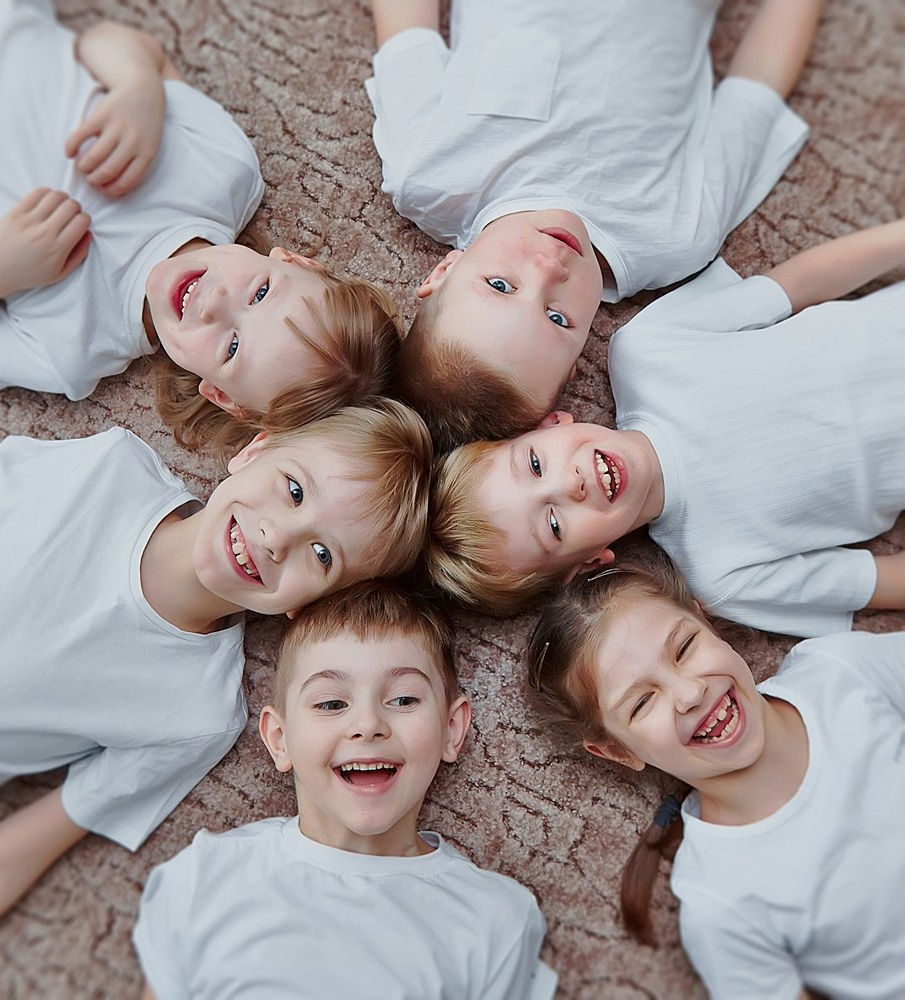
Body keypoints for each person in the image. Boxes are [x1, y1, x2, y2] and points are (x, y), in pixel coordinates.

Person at [0, 398, 432, 976]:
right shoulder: (106, 466)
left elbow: (8, 856)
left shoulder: (199, 713)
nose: (277, 537)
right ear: (254, 449)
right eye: (294, 489)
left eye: (323, 555)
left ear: (308, 607)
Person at [0, 0, 399, 460]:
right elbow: (105, 41)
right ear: (293, 259)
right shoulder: (223, 172)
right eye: (260, 292)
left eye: (232, 347)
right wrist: (139, 87)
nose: (213, 303)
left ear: (220, 395)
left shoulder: (71, 349)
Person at [365, 0, 824, 449]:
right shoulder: (670, 236)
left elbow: (408, 31)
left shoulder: (430, 172)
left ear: (444, 271)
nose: (549, 268)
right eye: (557, 317)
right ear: (578, 359)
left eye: (501, 285)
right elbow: (755, 91)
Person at [426, 216, 905, 629]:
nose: (570, 483)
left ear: (550, 424)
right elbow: (880, 581)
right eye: (553, 524)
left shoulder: (646, 351)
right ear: (589, 563)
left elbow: (792, 287)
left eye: (535, 464)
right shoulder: (723, 577)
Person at [132, 582, 558, 999]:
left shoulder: (496, 919)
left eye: (404, 700)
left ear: (451, 729)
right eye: (332, 703)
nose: (368, 725)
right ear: (280, 739)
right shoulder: (205, 877)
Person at [526, 553, 905, 1000]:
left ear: (704, 619)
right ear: (618, 751)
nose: (690, 693)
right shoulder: (719, 900)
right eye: (642, 703)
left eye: (685, 648)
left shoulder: (835, 669)